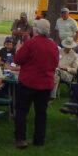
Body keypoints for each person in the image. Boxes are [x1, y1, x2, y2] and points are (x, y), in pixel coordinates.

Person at [11, 19, 58, 149]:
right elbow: (55, 64)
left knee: (21, 111)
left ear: (35, 30)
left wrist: (18, 49)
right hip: (46, 83)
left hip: (29, 82)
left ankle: (21, 139)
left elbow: (18, 59)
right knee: (41, 113)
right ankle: (39, 140)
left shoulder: (30, 43)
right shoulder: (53, 45)